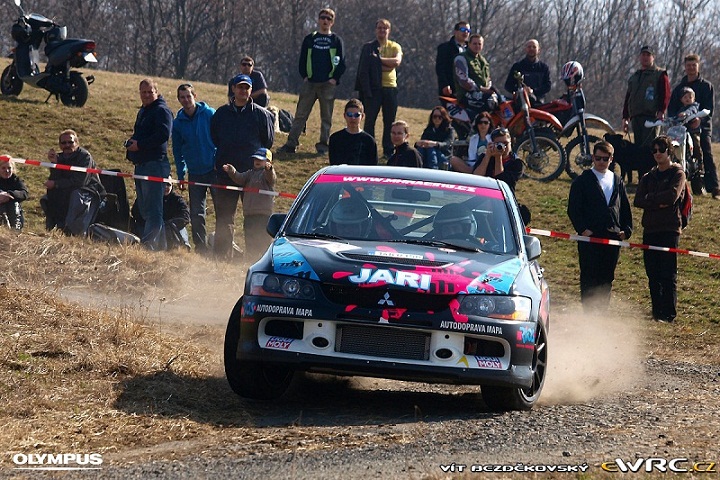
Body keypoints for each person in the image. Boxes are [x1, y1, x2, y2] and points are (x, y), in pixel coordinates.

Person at [210, 73, 274, 260]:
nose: (243, 91)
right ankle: (222, 259)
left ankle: (256, 258)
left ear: (251, 90)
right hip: (226, 174)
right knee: (224, 218)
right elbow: (215, 137)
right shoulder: (221, 113)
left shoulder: (261, 114)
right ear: (233, 89)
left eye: (247, 87)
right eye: (240, 87)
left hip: (253, 177)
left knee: (254, 219)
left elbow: (267, 142)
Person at [567, 141, 633, 312]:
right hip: (590, 238)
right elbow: (573, 208)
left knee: (607, 277)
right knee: (589, 276)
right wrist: (583, 229)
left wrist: (626, 230)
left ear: (611, 159)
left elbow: (624, 208)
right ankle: (589, 313)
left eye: (605, 158)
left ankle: (602, 313)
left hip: (613, 237)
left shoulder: (617, 180)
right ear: (593, 158)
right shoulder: (582, 180)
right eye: (598, 158)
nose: (601, 162)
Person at [277, 8, 346, 155]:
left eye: (328, 18)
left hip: (328, 84)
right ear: (318, 20)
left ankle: (323, 146)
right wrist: (304, 76)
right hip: (310, 83)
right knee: (300, 115)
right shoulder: (310, 38)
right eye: (323, 17)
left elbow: (342, 62)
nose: (325, 20)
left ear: (332, 22)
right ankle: (291, 144)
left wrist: (335, 78)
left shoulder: (336, 40)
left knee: (326, 117)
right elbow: (302, 59)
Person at [634, 135, 686, 323]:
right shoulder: (648, 176)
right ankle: (657, 312)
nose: (657, 153)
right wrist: (657, 201)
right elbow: (638, 200)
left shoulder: (677, 174)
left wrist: (651, 199)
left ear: (669, 151)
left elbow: (672, 197)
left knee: (668, 274)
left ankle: (669, 314)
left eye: (661, 150)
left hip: (669, 230)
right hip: (650, 230)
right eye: (654, 150)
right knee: (653, 274)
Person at [125, 78, 174, 250]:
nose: (146, 95)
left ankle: (148, 246)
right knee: (146, 209)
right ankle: (161, 248)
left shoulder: (161, 111)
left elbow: (163, 134)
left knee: (153, 210)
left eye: (150, 92)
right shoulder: (144, 111)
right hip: (141, 164)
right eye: (143, 92)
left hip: (155, 164)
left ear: (156, 92)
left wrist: (140, 145)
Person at [172, 83, 216, 253]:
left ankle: (222, 246)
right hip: (195, 172)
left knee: (222, 210)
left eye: (188, 96)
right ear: (179, 99)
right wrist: (181, 174)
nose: (186, 100)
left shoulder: (209, 114)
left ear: (194, 96)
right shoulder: (178, 123)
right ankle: (201, 247)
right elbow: (177, 151)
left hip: (214, 170)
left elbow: (221, 137)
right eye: (182, 97)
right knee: (196, 213)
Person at [667, 53, 718, 198]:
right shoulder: (679, 88)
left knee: (705, 152)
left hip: (702, 127)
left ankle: (715, 187)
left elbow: (709, 109)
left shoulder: (706, 86)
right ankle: (676, 185)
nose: (691, 68)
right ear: (685, 67)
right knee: (676, 154)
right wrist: (673, 119)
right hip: (681, 128)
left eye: (693, 65)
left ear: (698, 66)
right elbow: (672, 108)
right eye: (688, 65)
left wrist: (700, 120)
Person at [355, 18, 403, 158]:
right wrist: (385, 65)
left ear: (389, 31)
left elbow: (396, 62)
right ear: (376, 30)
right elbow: (364, 69)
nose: (382, 30)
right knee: (370, 121)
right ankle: (369, 149)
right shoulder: (369, 47)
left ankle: (388, 150)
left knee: (389, 121)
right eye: (379, 28)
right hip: (373, 88)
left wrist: (376, 61)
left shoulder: (395, 46)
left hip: (390, 88)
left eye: (385, 28)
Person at [43, 129, 105, 233]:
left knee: (76, 196)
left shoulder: (85, 157)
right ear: (60, 145)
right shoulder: (59, 157)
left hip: (88, 190)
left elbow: (80, 182)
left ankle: (74, 231)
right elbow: (54, 179)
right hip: (67, 189)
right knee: (49, 195)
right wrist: (54, 164)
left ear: (76, 143)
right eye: (64, 143)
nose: (67, 145)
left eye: (70, 142)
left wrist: (56, 184)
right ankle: (53, 228)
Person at [222, 148, 276, 263]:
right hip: (249, 215)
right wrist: (232, 171)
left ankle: (266, 262)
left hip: (264, 215)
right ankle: (251, 261)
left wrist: (269, 169)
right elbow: (239, 178)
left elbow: (271, 177)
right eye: (255, 159)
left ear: (268, 162)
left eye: (261, 159)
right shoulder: (249, 174)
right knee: (250, 240)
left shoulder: (266, 175)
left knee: (264, 241)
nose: (257, 161)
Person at [622, 45, 671, 150]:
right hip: (636, 117)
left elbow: (665, 94)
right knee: (638, 149)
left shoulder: (659, 74)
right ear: (639, 57)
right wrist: (625, 117)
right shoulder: (634, 77)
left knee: (650, 148)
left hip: (651, 118)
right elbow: (628, 97)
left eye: (648, 55)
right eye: (643, 55)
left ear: (653, 57)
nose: (645, 57)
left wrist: (661, 111)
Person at [131, 181, 191, 250]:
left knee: (181, 228)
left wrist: (171, 223)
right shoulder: (148, 197)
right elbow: (135, 212)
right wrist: (151, 222)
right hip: (152, 228)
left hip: (170, 229)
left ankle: (184, 247)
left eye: (168, 184)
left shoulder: (177, 200)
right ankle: (146, 246)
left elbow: (185, 216)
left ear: (172, 186)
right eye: (163, 184)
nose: (166, 187)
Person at [328, 98, 378, 166]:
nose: (353, 118)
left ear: (362, 116)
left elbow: (372, 167)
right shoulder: (335, 139)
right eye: (349, 114)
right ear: (344, 115)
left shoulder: (369, 141)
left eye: (356, 115)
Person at [471, 127, 523, 192]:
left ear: (511, 142)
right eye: (498, 144)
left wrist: (498, 157)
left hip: (502, 195)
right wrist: (487, 156)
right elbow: (476, 178)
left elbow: (501, 183)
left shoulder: (516, 163)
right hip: (484, 192)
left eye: (505, 143)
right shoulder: (485, 157)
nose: (502, 146)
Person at [454, 34, 492, 118]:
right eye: (474, 44)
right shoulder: (461, 58)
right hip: (466, 94)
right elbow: (463, 80)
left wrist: (489, 88)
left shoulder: (483, 61)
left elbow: (488, 78)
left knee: (499, 100)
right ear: (469, 44)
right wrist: (480, 88)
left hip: (483, 93)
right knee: (489, 101)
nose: (477, 46)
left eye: (479, 44)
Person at [503, 39, 551, 106]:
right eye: (529, 47)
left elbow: (547, 86)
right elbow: (508, 85)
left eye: (534, 47)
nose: (531, 49)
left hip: (539, 104)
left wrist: (533, 91)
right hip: (520, 104)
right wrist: (521, 91)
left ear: (538, 50)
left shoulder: (544, 68)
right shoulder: (517, 66)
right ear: (525, 49)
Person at [435, 21, 470, 97]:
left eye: (468, 30)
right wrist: (444, 84)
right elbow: (440, 69)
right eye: (463, 30)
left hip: (468, 91)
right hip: (451, 90)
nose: (466, 32)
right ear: (455, 32)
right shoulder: (445, 48)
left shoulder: (471, 49)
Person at [674, 86, 703, 162]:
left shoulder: (694, 106)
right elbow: (677, 118)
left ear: (694, 99)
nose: (688, 99)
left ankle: (699, 161)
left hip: (693, 131)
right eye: (685, 97)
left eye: (690, 97)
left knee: (696, 144)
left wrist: (685, 114)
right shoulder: (681, 109)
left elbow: (691, 111)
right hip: (683, 132)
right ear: (681, 99)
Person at [0, 157, 28, 230]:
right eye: (3, 168)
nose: (7, 171)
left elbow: (24, 193)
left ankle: (15, 230)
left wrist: (10, 195)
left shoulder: (16, 180)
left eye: (9, 168)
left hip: (13, 212)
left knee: (14, 204)